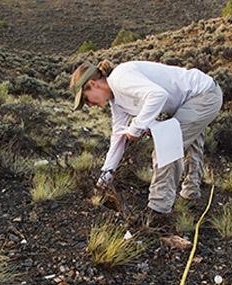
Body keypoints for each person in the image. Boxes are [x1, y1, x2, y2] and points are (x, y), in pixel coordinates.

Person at [69, 60, 222, 216]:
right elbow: (117, 143)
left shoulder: (120, 78)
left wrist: (136, 127)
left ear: (93, 84)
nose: (88, 105)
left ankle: (157, 210)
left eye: (86, 99)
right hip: (194, 98)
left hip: (204, 95)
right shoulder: (117, 103)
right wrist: (102, 183)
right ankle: (191, 195)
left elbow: (158, 95)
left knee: (168, 144)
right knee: (189, 145)